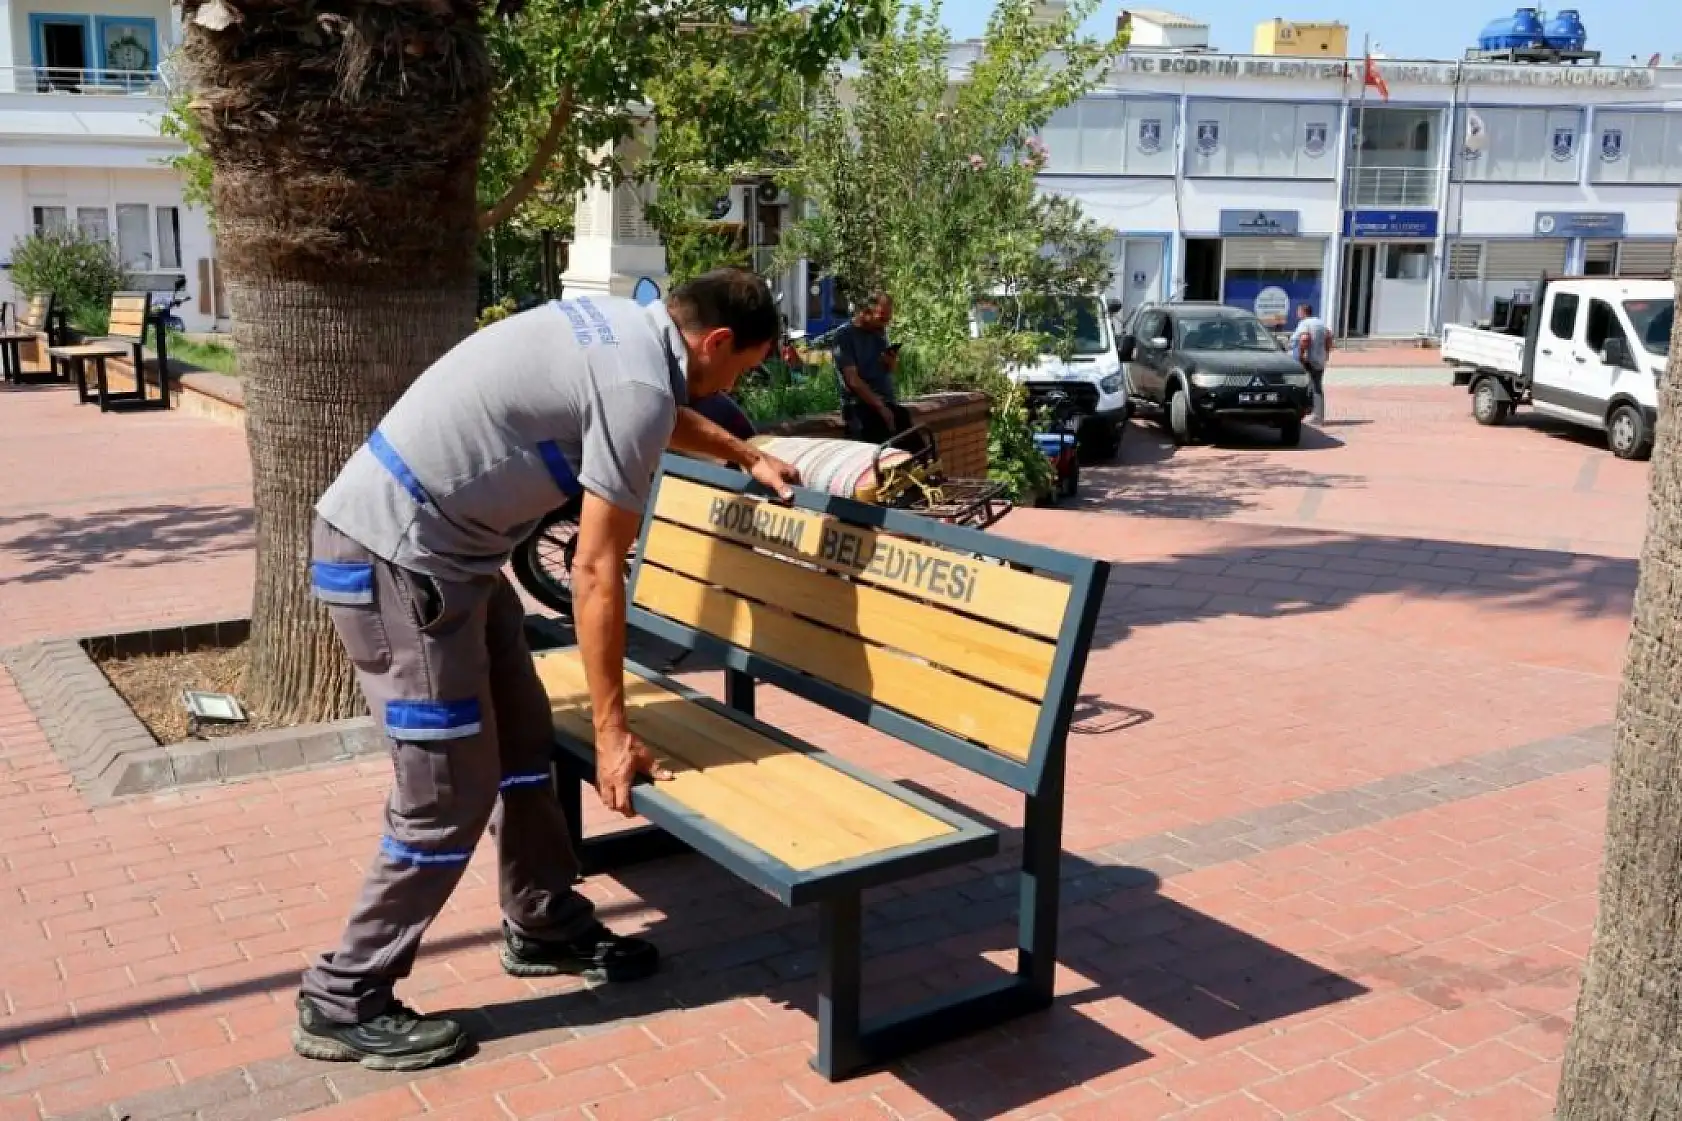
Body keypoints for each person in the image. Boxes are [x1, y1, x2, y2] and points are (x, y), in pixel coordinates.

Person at [293, 269, 800, 1072]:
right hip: (398, 562)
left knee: (523, 742)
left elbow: (657, 416)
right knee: (447, 792)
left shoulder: (627, 336)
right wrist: (612, 736)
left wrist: (745, 454)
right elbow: (596, 574)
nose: (736, 385)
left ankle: (541, 918)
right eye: (742, 371)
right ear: (715, 343)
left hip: (451, 562)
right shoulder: (638, 380)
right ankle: (343, 996)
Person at [831, 291, 914, 445]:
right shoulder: (844, 336)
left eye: (888, 319)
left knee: (916, 451)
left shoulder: (880, 333)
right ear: (865, 312)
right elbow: (852, 380)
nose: (885, 323)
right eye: (882, 318)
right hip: (861, 406)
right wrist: (880, 407)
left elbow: (889, 370)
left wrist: (891, 361)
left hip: (886, 403)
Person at [1291, 302, 1333, 425]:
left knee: (1309, 386)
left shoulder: (1304, 323)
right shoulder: (1320, 323)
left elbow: (1304, 338)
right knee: (1317, 386)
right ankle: (1318, 414)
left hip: (1308, 359)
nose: (1297, 313)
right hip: (1320, 359)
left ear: (1303, 312)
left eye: (1298, 311)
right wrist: (1326, 354)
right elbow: (1329, 337)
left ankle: (1313, 415)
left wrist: (1301, 355)